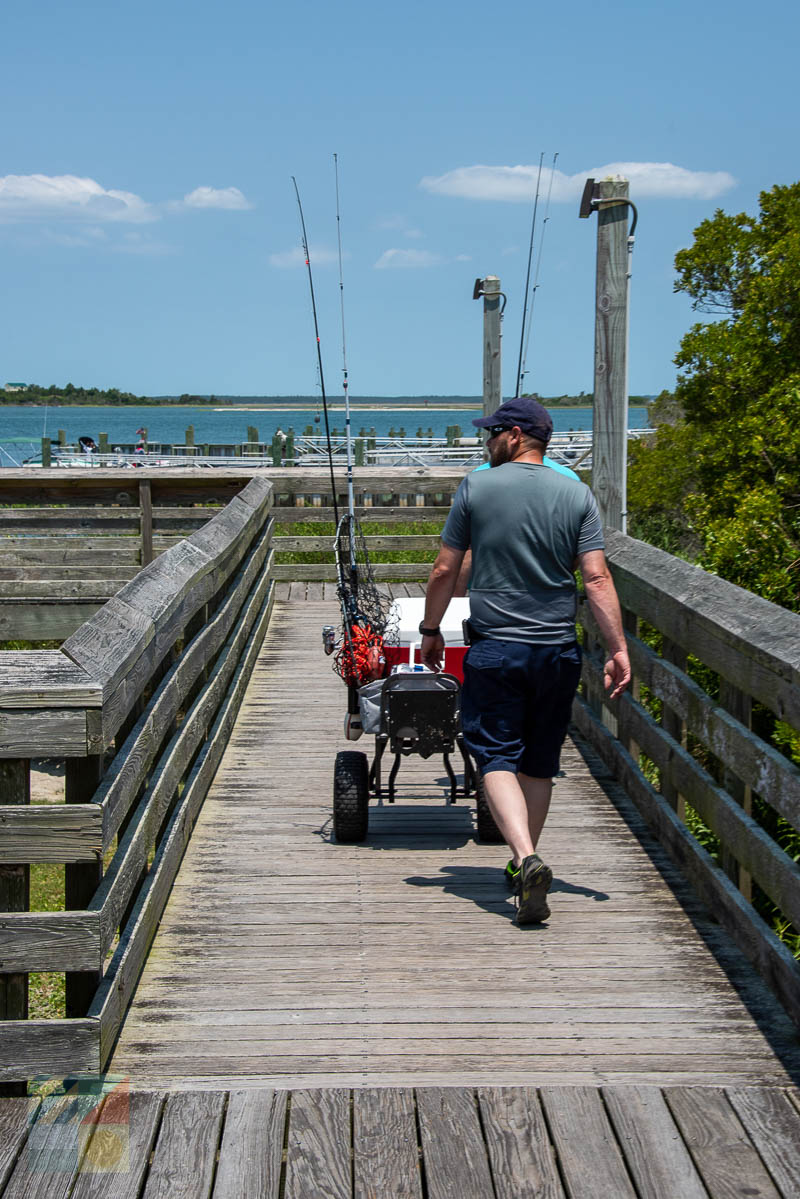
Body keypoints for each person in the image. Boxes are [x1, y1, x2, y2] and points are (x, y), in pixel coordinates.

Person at [419, 397, 630, 925]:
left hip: (496, 648)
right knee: (539, 761)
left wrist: (430, 631)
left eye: (491, 433)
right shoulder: (577, 495)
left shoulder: (477, 487)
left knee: (493, 755)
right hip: (557, 650)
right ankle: (523, 868)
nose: (485, 442)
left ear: (515, 436)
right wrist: (618, 648)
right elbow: (597, 578)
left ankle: (525, 858)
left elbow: (446, 570)